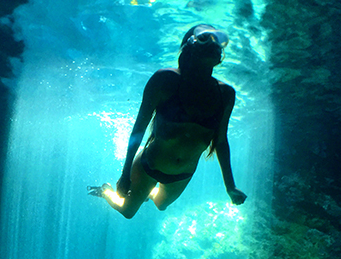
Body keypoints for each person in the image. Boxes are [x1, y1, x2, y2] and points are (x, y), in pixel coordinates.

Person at [88, 24, 247, 219]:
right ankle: (106, 191)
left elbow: (221, 141)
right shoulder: (165, 80)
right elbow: (139, 128)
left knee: (161, 205)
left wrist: (230, 187)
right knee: (127, 211)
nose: (215, 47)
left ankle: (146, 192)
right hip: (148, 165)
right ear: (190, 46)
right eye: (206, 40)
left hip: (182, 175)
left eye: (218, 44)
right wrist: (125, 174)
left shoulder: (226, 94)